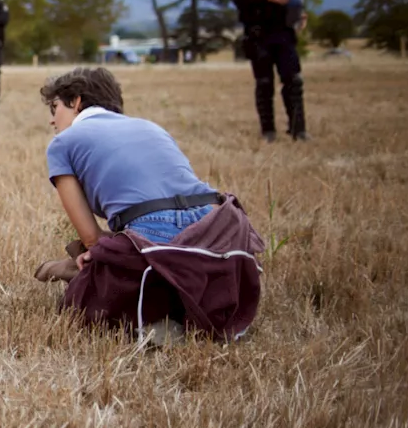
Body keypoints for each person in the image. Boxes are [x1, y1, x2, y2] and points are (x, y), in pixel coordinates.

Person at [32, 67, 264, 345]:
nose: (52, 120)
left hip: (155, 231)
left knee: (81, 300)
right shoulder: (151, 127)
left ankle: (155, 320)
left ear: (77, 101)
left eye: (55, 107)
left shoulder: (63, 143)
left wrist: (96, 252)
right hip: (221, 225)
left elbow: (91, 238)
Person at [230, 0, 310, 142]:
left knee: (293, 81)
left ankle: (298, 130)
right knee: (264, 84)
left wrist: (300, 14)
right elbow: (239, 0)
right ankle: (268, 131)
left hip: (283, 36)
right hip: (258, 39)